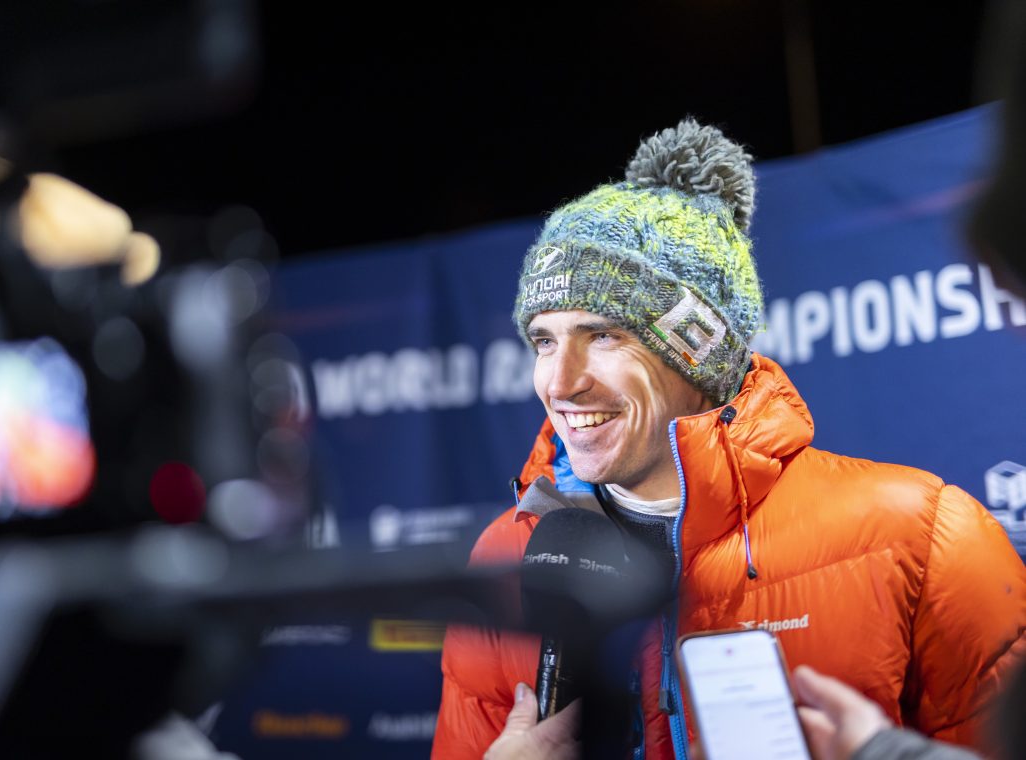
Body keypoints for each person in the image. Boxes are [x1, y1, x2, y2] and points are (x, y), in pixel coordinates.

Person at [431, 118, 1026, 759]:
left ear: (700, 356)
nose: (559, 382)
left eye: (603, 335)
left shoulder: (923, 535)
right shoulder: (504, 555)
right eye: (544, 341)